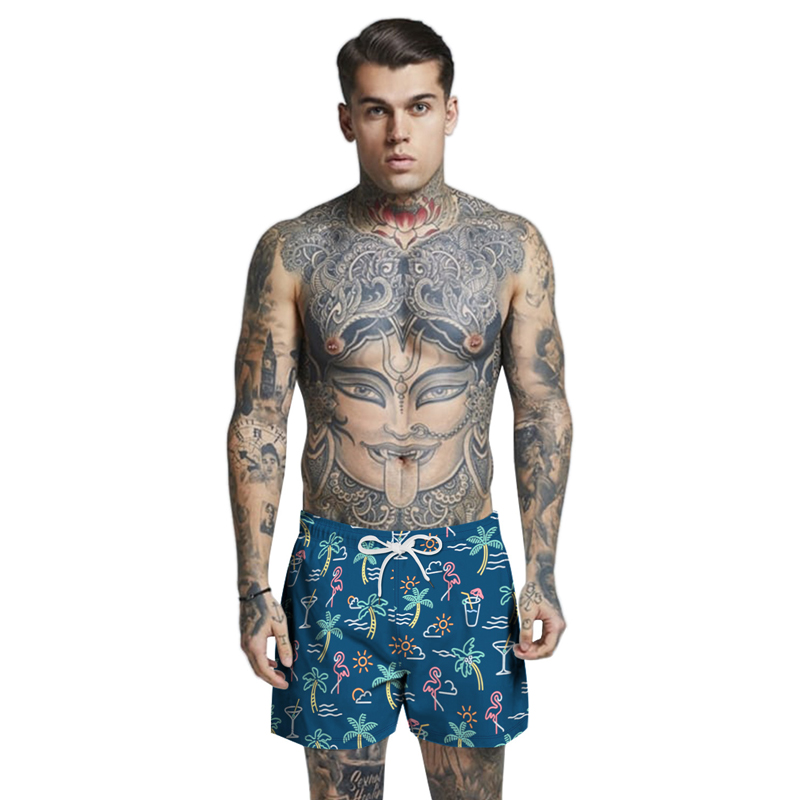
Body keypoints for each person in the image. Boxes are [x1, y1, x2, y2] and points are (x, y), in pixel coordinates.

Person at [227, 17, 572, 800]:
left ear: (451, 112)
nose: (398, 132)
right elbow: (258, 420)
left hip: (465, 564)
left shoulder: (510, 246)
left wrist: (543, 573)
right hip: (335, 567)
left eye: (418, 107)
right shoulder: (294, 250)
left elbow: (541, 410)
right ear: (346, 119)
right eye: (376, 109)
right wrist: (253, 590)